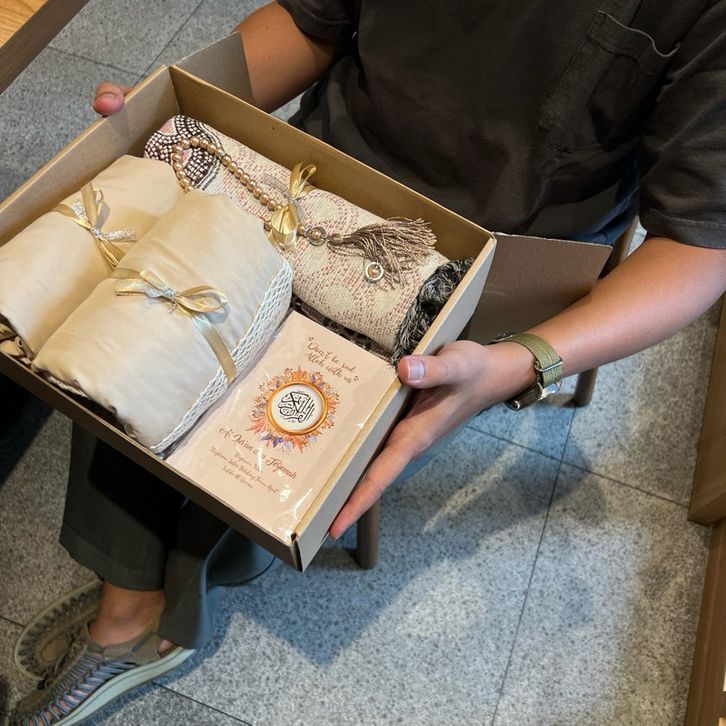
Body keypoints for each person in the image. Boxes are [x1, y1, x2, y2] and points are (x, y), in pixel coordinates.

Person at [10, 1, 726, 723]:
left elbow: (700, 241)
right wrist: (170, 113)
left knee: (271, 443)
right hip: (320, 177)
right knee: (128, 328)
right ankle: (134, 600)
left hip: (483, 263)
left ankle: (159, 609)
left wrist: (523, 361)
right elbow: (312, 20)